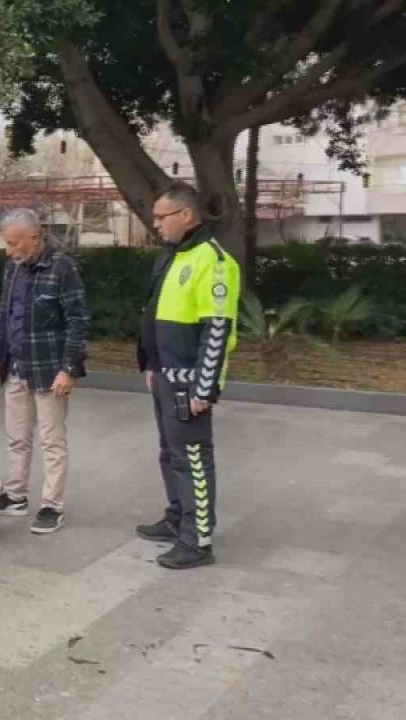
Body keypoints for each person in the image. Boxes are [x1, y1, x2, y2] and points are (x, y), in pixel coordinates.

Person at [135, 183, 240, 569]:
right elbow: (155, 314)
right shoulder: (172, 257)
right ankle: (177, 518)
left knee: (192, 457)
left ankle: (197, 541)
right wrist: (151, 363)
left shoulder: (214, 261)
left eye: (162, 217)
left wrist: (203, 385)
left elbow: (217, 329)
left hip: (190, 380)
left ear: (186, 215)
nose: (156, 223)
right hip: (164, 373)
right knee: (170, 453)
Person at [0, 208, 91, 535]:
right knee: (17, 437)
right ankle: (16, 495)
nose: (8, 250)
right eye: (6, 243)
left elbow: (78, 320)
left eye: (14, 243)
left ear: (34, 237)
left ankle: (51, 505)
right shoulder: (11, 270)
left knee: (51, 440)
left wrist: (68, 368)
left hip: (48, 369)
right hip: (16, 365)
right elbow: (5, 313)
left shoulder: (62, 268)